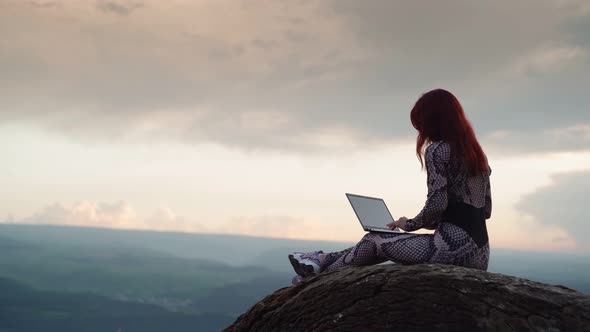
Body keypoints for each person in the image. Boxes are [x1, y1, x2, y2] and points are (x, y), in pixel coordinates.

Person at [289, 89, 492, 285]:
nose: (422, 131)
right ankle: (321, 260)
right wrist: (435, 223)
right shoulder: (477, 155)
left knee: (375, 240)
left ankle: (316, 279)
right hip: (480, 253)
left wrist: (408, 224)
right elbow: (486, 209)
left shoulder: (438, 150)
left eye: (421, 124)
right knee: (381, 242)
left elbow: (437, 204)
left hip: (453, 249)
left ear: (433, 121)